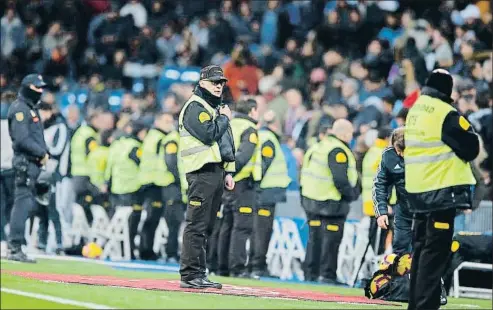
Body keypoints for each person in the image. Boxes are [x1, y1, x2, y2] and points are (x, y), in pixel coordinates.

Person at [404, 69, 479, 310]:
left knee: (420, 253)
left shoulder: (416, 110)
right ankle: (426, 306)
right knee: (434, 256)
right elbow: (471, 147)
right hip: (440, 193)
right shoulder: (444, 112)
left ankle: (416, 304)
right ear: (447, 90)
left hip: (418, 193)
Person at [178, 65, 235, 289]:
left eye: (221, 83)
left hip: (214, 173)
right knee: (197, 225)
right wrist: (224, 119)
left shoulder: (212, 108)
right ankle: (190, 274)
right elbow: (208, 135)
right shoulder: (196, 106)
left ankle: (199, 273)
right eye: (214, 82)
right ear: (202, 83)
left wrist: (229, 171)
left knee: (206, 226)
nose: (219, 86)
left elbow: (225, 144)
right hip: (201, 172)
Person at [301, 119, 360, 284]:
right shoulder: (338, 150)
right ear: (344, 133)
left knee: (315, 239)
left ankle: (311, 274)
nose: (351, 136)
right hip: (331, 203)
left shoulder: (318, 146)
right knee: (331, 242)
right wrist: (352, 195)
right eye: (350, 133)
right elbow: (340, 179)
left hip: (311, 200)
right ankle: (327, 275)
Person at [6, 74, 48, 263]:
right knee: (22, 203)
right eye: (36, 88)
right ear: (26, 87)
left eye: (41, 88)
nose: (40, 91)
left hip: (33, 163)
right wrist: (41, 152)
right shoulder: (20, 109)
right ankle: (15, 247)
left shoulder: (30, 108)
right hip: (26, 162)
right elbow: (22, 139)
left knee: (26, 204)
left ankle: (16, 245)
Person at [217, 98, 260, 277]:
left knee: (226, 224)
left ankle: (222, 267)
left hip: (226, 182)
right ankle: (238, 268)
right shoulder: (249, 130)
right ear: (252, 111)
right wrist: (232, 174)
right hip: (241, 183)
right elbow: (243, 156)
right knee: (241, 227)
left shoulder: (230, 124)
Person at [250, 110, 291, 279]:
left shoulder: (264, 137)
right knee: (262, 231)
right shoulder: (268, 139)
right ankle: (257, 266)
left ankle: (256, 264)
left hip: (265, 192)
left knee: (260, 230)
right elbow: (264, 165)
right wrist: (257, 187)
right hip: (265, 192)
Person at [139, 112, 186, 262]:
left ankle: (147, 249)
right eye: (166, 121)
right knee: (154, 218)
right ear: (157, 121)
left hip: (153, 181)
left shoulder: (152, 136)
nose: (170, 124)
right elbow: (169, 161)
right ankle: (147, 250)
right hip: (156, 182)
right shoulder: (162, 138)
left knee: (153, 219)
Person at [104, 120, 148, 258]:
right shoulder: (135, 147)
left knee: (119, 223)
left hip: (116, 188)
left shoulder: (117, 144)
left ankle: (118, 250)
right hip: (131, 189)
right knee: (131, 224)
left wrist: (107, 183)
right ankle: (127, 251)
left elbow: (109, 166)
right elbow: (143, 165)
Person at [36, 101, 68, 254]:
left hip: (55, 174)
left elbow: (58, 149)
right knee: (42, 208)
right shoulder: (41, 128)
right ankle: (42, 242)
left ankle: (60, 242)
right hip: (42, 172)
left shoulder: (60, 127)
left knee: (54, 209)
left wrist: (41, 148)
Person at [362, 127, 395, 255]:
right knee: (380, 240)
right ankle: (379, 266)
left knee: (374, 237)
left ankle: (375, 261)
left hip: (370, 201)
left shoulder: (372, 152)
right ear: (387, 139)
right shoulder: (384, 154)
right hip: (381, 203)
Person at [70, 110, 107, 224]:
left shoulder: (81, 131)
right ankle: (92, 233)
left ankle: (82, 235)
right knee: (98, 202)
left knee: (81, 206)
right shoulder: (89, 135)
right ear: (94, 120)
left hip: (76, 174)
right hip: (85, 176)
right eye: (101, 121)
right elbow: (94, 155)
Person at [1, 92, 15, 255]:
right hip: (10, 168)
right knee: (12, 205)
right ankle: (13, 238)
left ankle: (2, 238)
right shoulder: (14, 124)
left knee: (2, 205)